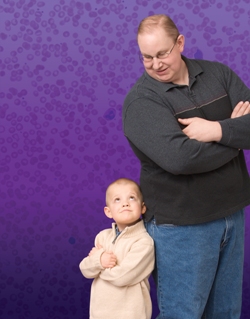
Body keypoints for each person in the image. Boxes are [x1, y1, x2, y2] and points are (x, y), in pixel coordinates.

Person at [122, 14, 250, 319]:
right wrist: (234, 132)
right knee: (184, 314)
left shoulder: (218, 74)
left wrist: (215, 131)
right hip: (181, 227)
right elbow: (181, 159)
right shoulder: (142, 102)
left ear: (180, 43)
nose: (155, 64)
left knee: (225, 313)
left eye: (162, 53)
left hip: (232, 213)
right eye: (147, 57)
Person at [79, 178, 155, 319]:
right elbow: (85, 269)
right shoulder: (102, 237)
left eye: (132, 198)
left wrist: (99, 265)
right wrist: (99, 261)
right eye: (117, 200)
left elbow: (122, 276)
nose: (125, 203)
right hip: (99, 313)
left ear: (143, 208)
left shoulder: (143, 242)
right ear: (108, 212)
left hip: (130, 314)